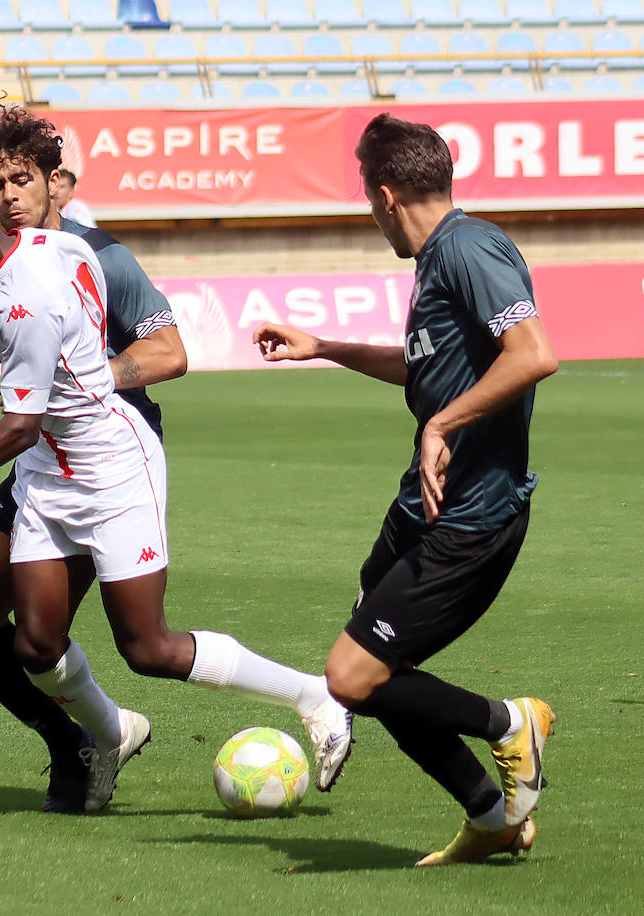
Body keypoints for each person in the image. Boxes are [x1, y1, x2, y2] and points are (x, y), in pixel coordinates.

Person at [0, 106, 353, 810]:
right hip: (44, 461)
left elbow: (168, 354)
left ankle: (313, 697)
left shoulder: (90, 257)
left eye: (21, 179)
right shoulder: (21, 256)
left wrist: (87, 376)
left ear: (54, 181)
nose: (9, 193)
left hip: (104, 454)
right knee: (20, 632)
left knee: (146, 647)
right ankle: (96, 730)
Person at [252, 113, 559, 866]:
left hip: (472, 517)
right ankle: (490, 816)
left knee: (351, 674)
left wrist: (440, 427)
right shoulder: (437, 259)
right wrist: (325, 346)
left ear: (384, 195)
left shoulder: (471, 248)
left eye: (366, 198)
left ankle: (507, 721)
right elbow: (427, 369)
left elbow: (534, 355)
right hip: (418, 508)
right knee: (371, 659)